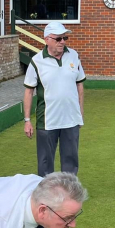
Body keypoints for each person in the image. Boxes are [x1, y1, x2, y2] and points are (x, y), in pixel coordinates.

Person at [23, 22, 85, 177]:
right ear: (47, 40)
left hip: (71, 119)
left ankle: (69, 194)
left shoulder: (74, 56)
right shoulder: (36, 61)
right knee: (45, 162)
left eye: (65, 37)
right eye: (58, 39)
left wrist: (80, 112)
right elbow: (29, 92)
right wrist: (27, 120)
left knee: (71, 161)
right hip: (47, 120)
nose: (63, 42)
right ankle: (46, 196)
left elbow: (79, 86)